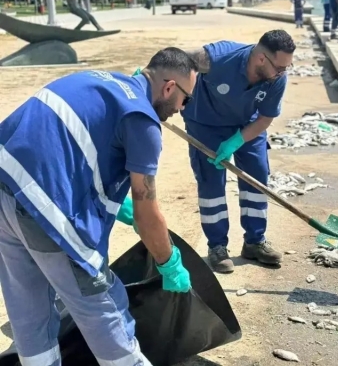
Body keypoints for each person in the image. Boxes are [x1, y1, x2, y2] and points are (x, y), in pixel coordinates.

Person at [0, 47, 197, 366]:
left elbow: (61, 147)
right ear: (169, 87)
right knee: (103, 305)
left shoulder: (95, 79)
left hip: (4, 191)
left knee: (29, 308)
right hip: (43, 210)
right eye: (186, 99)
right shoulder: (142, 120)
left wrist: (117, 207)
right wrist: (167, 261)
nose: (183, 108)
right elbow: (148, 215)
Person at [181, 30, 296, 274]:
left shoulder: (277, 79)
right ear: (262, 58)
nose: (283, 73)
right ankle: (217, 247)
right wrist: (150, 79)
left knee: (257, 177)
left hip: (247, 124)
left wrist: (236, 141)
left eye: (287, 67)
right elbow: (176, 60)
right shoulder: (218, 58)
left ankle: (255, 242)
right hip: (205, 122)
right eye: (280, 67)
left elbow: (265, 118)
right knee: (211, 184)